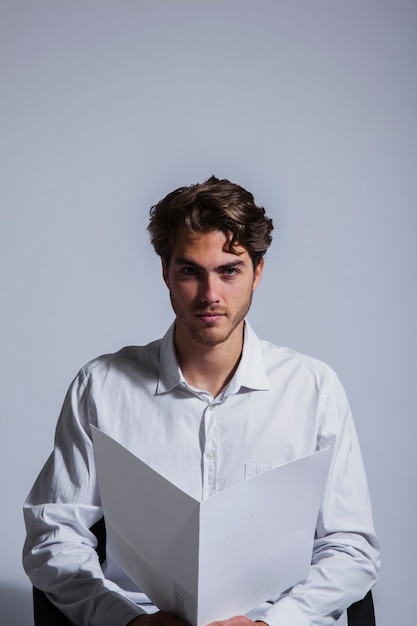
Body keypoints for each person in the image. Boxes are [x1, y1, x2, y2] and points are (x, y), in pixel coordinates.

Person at [23, 176, 380, 626]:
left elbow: (352, 548)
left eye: (229, 270)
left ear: (258, 273)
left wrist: (274, 624)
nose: (211, 295)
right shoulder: (101, 387)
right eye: (191, 270)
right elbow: (52, 535)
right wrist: (128, 619)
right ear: (165, 273)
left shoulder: (314, 390)